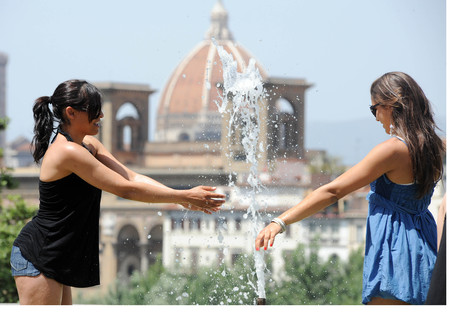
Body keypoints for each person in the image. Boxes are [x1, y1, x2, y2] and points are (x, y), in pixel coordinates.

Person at [10, 79, 226, 305]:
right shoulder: (66, 151)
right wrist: (182, 197)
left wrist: (180, 196)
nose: (101, 115)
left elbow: (131, 177)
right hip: (40, 253)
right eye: (93, 109)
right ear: (71, 113)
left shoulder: (89, 145)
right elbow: (125, 189)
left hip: (56, 255)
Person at [255, 71, 444, 305]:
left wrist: (280, 221)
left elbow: (333, 191)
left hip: (395, 254)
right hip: (425, 248)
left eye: (374, 108)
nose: (376, 117)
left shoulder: (392, 150)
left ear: (391, 104)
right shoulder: (436, 147)